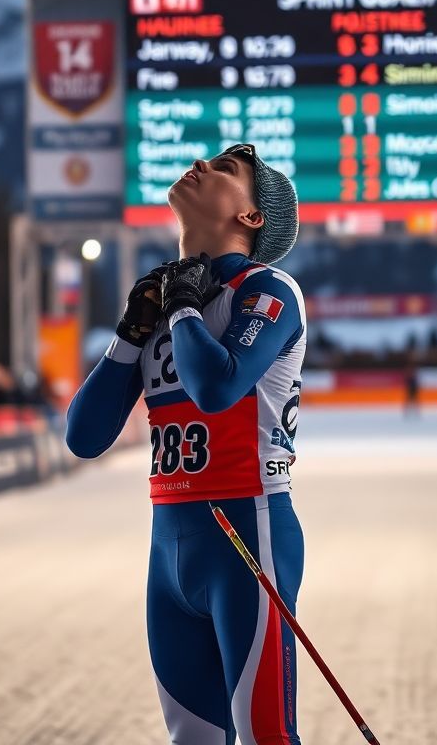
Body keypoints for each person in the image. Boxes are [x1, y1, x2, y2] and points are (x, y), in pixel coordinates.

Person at [66, 143, 305, 745]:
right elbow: (84, 437)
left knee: (265, 738)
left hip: (248, 532)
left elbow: (217, 387)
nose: (202, 165)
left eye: (226, 170)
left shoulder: (269, 288)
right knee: (192, 740)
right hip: (168, 542)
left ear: (251, 218)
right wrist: (129, 335)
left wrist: (181, 309)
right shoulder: (169, 301)